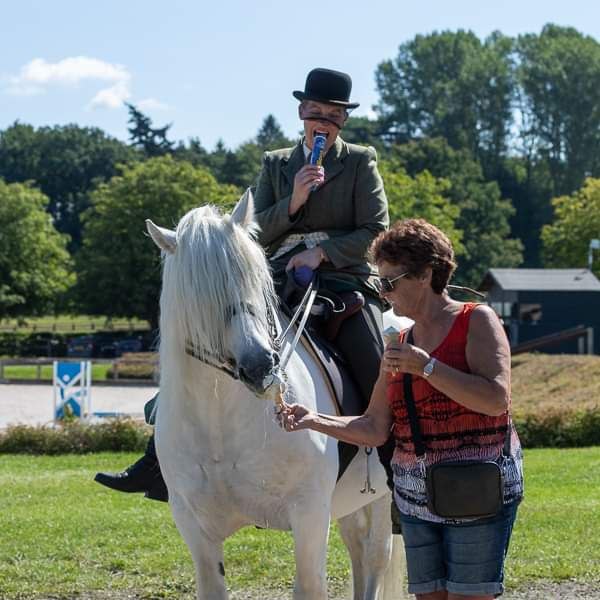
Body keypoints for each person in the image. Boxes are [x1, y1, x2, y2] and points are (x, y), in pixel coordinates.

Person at [95, 67, 394, 508]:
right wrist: (293, 201)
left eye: (333, 116)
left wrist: (322, 253)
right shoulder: (276, 163)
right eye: (316, 113)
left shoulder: (360, 161)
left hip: (343, 280)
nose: (323, 123)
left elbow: (376, 229)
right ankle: (156, 460)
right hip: (273, 276)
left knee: (375, 364)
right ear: (301, 112)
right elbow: (251, 232)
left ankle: (400, 471)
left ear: (343, 121)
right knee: (206, 340)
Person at [280, 218, 524, 600]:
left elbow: (496, 400)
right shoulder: (401, 342)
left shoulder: (476, 319)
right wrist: (313, 420)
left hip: (477, 491)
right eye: (380, 283)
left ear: (426, 274)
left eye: (390, 283)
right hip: (415, 498)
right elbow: (375, 427)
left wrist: (426, 366)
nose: (384, 294)